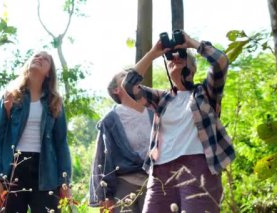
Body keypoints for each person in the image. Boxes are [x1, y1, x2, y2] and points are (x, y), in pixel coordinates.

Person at [121, 31, 235, 213]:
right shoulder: (162, 99)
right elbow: (128, 86)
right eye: (171, 59)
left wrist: (191, 43)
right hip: (160, 172)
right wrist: (154, 52)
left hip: (198, 169)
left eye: (182, 57)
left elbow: (221, 62)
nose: (176, 59)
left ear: (193, 68)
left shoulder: (206, 93)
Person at [0, 51, 72, 213]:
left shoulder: (55, 102)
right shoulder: (9, 96)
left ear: (48, 73)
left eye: (45, 59)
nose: (39, 58)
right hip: (13, 168)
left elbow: (61, 144)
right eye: (36, 56)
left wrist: (65, 182)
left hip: (46, 171)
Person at [89, 71, 153, 213]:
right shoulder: (110, 120)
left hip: (155, 183)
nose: (130, 77)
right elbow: (103, 158)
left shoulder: (153, 112)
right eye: (124, 76)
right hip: (124, 184)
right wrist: (106, 195)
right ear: (116, 90)